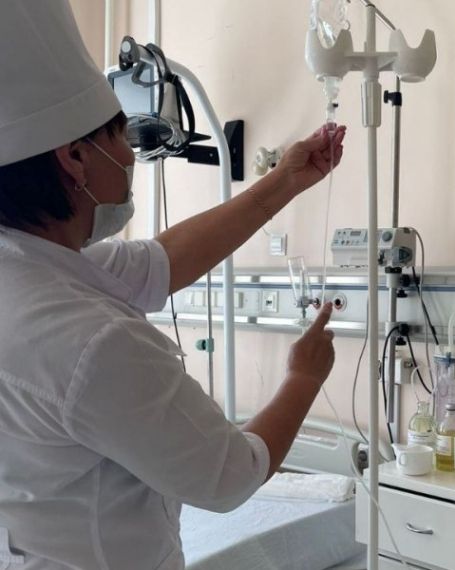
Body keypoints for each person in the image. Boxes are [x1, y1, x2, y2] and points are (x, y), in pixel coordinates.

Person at [0, 1, 346, 568]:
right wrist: (304, 377)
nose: (130, 156)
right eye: (121, 136)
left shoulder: (30, 269)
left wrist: (285, 180)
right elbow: (231, 475)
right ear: (75, 159)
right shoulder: (90, 340)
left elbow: (161, 260)